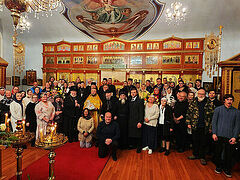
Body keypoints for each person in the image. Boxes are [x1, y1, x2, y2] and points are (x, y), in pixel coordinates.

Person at [212, 94, 240, 178]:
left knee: (229, 154)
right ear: (224, 100)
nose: (229, 101)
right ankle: (219, 167)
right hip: (218, 135)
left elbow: (237, 125)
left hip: (230, 136)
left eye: (231, 100)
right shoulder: (218, 109)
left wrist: (235, 137)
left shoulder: (237, 112)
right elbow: (214, 122)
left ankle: (227, 169)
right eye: (228, 99)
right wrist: (214, 133)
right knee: (218, 152)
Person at [186, 89, 214, 165]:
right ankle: (195, 154)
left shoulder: (209, 103)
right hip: (195, 125)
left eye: (202, 94)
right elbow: (189, 113)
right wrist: (188, 122)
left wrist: (211, 127)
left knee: (203, 142)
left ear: (205, 94)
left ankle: (202, 157)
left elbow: (212, 116)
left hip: (205, 126)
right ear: (197, 94)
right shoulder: (193, 102)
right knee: (195, 140)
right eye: (199, 94)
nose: (201, 95)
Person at [128, 88, 144, 153]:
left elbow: (141, 112)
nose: (133, 94)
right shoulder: (129, 100)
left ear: (136, 93)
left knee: (138, 134)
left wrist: (140, 122)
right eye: (132, 92)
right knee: (132, 133)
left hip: (137, 120)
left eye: (134, 92)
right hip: (130, 120)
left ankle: (139, 147)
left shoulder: (140, 101)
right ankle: (133, 145)